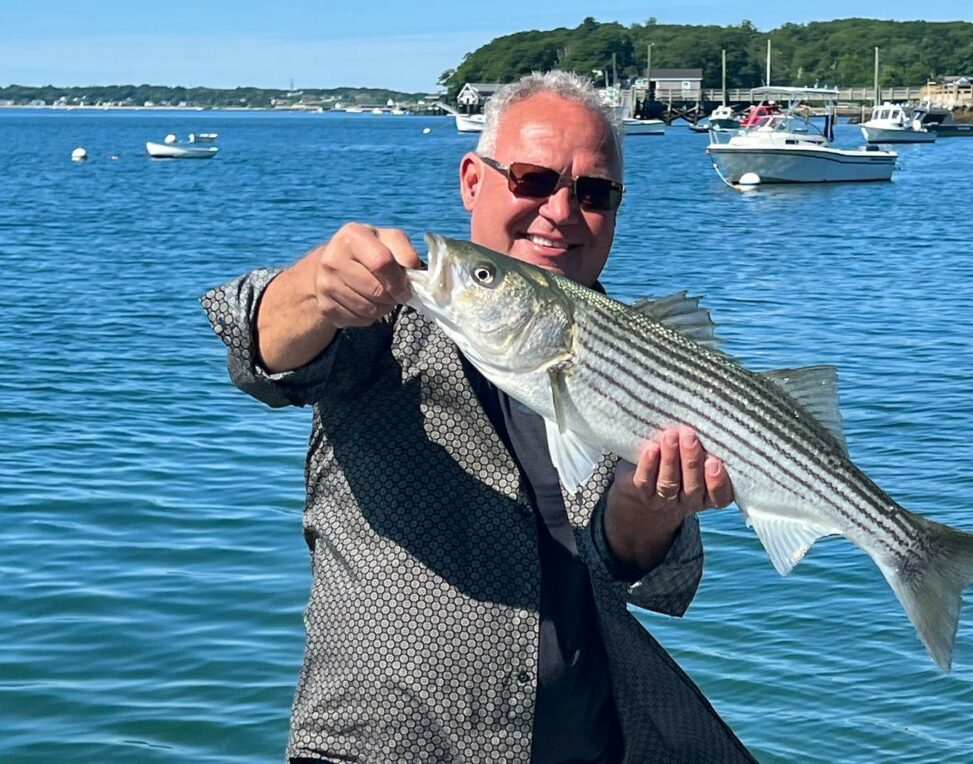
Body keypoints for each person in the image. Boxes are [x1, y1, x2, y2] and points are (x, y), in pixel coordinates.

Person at [202, 70, 755, 763]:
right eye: (531, 178)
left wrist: (646, 512)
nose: (560, 212)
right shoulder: (385, 314)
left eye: (592, 193)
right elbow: (260, 350)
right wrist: (315, 287)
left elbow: (651, 579)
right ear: (472, 180)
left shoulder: (644, 364)